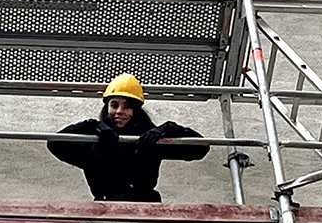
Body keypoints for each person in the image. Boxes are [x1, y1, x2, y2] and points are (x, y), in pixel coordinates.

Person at [46, 73, 210, 202]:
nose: (119, 111)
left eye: (127, 106)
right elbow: (54, 144)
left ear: (136, 111)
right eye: (114, 105)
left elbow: (200, 148)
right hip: (105, 207)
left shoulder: (148, 139)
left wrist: (168, 129)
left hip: (145, 207)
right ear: (107, 107)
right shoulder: (94, 141)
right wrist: (90, 125)